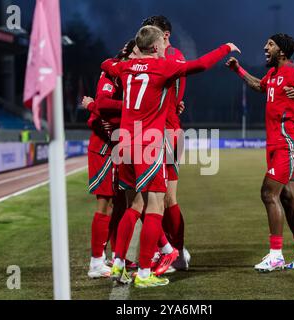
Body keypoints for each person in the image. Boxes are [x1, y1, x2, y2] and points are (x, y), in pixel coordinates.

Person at [102, 25, 240, 288]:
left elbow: (106, 64)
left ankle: (118, 265)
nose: (168, 48)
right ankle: (144, 273)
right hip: (148, 144)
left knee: (133, 207)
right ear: (155, 47)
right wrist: (225, 48)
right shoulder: (163, 67)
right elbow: (199, 65)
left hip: (124, 143)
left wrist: (124, 56)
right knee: (156, 206)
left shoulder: (124, 68)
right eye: (163, 45)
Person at [226, 33, 294, 272]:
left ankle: (275, 256)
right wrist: (238, 70)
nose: (265, 47)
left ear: (282, 51)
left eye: (271, 45)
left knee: (268, 193)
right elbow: (259, 85)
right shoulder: (273, 75)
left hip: (288, 143)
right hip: (274, 145)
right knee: (287, 198)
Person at [141, 15, 190, 272]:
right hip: (160, 131)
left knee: (163, 198)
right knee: (155, 198)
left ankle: (174, 252)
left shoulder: (170, 56)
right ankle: (170, 249)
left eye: (153, 34)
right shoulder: (169, 56)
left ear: (165, 36)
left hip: (166, 132)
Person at [83, 40, 136, 279]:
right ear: (127, 53)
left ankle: (117, 257)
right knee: (105, 203)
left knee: (121, 204)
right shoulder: (111, 72)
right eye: (136, 53)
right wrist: (130, 105)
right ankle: (96, 262)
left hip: (120, 143)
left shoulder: (134, 75)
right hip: (104, 147)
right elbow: (103, 104)